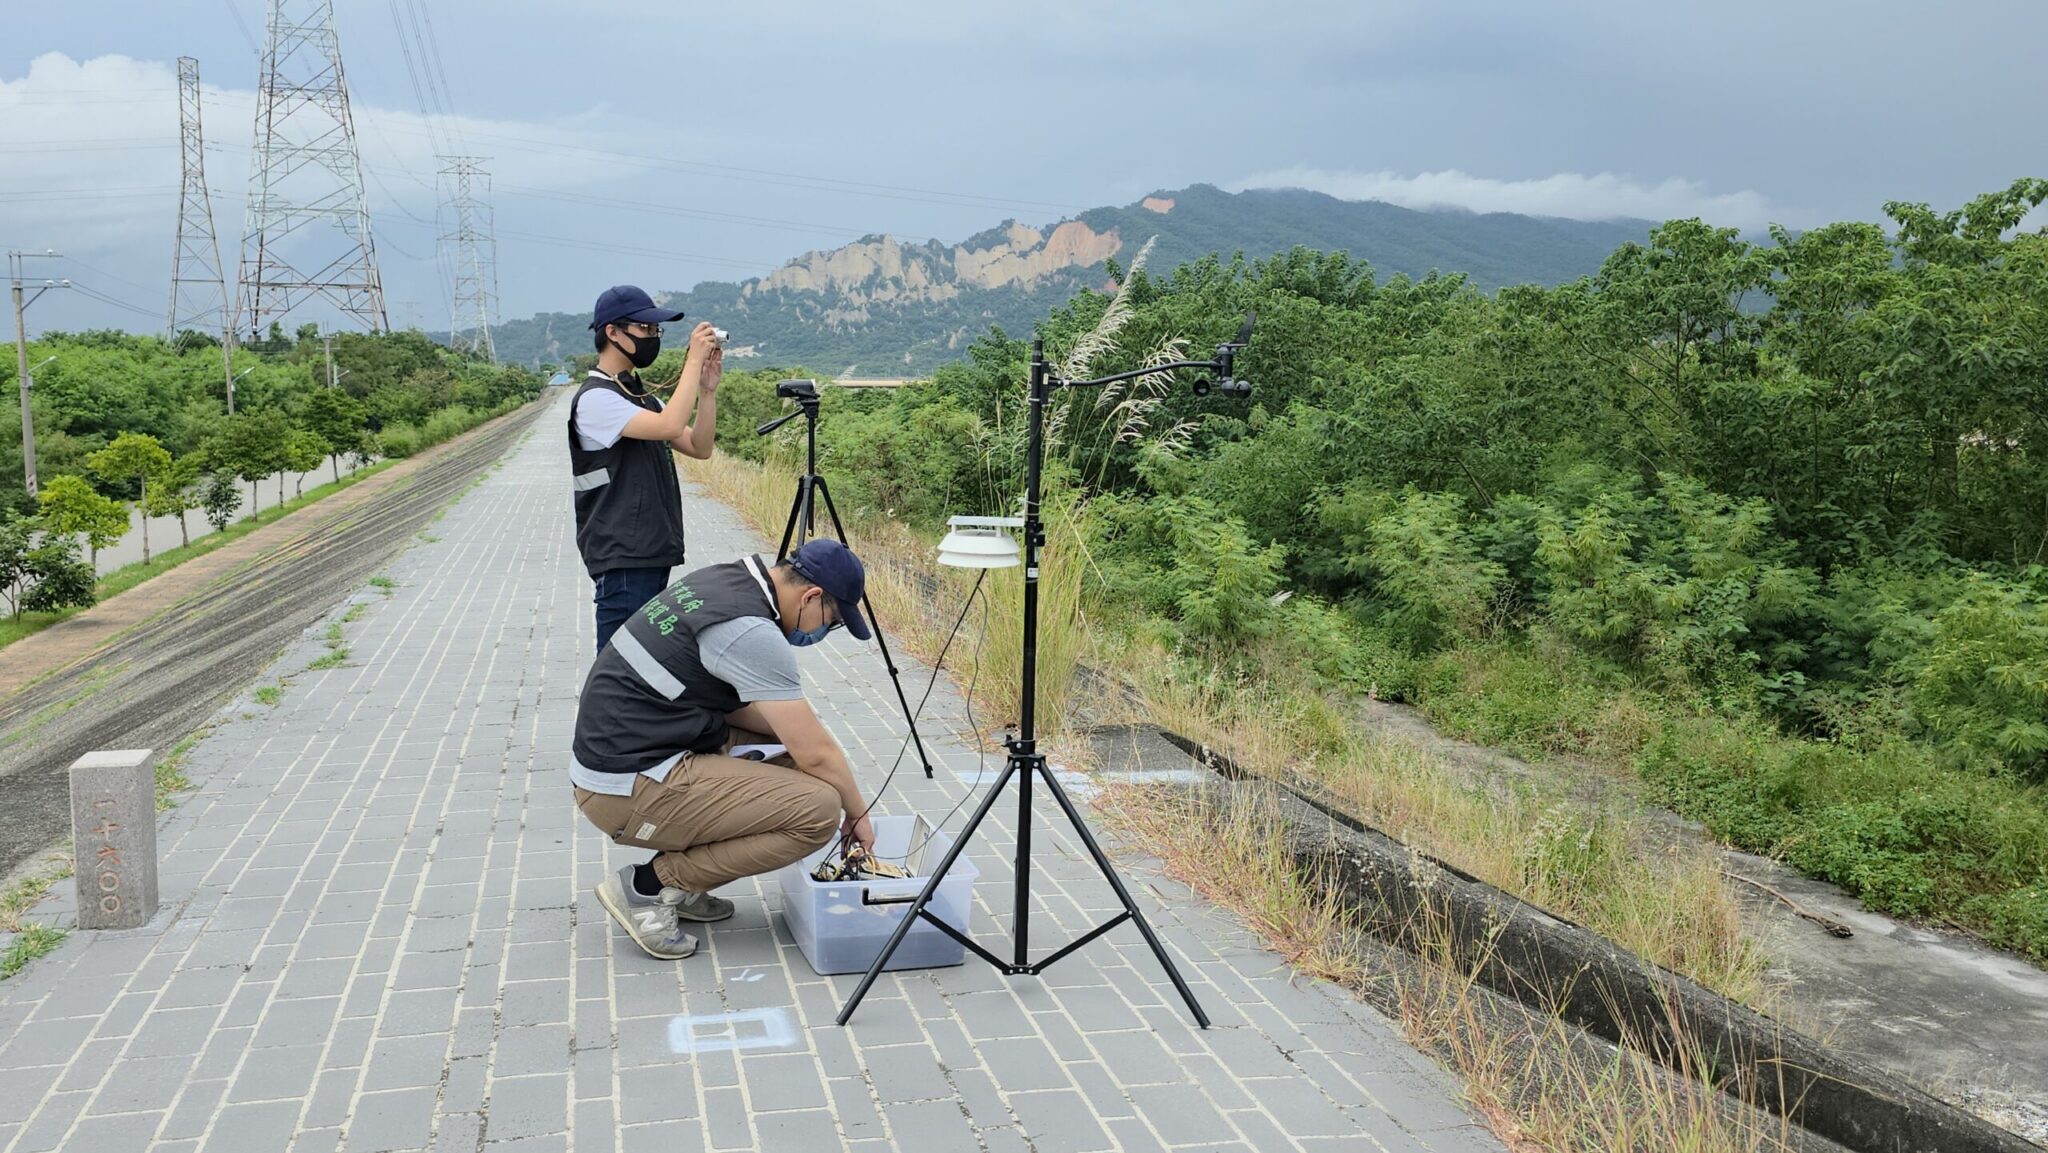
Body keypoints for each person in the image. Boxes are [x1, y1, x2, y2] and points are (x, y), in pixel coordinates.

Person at [571, 537, 879, 959]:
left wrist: (802, 740)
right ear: (811, 596)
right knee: (819, 810)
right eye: (833, 619)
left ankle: (687, 884)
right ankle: (650, 887)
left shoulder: (729, 581)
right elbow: (819, 756)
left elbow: (786, 735)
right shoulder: (750, 631)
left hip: (644, 745)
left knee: (797, 758)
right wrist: (857, 812)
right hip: (625, 786)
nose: (824, 631)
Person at [569, 284, 725, 652]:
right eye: (645, 329)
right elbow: (670, 426)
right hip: (623, 557)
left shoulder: (641, 397)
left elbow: (699, 447)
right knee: (621, 670)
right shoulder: (595, 399)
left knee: (644, 668)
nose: (654, 337)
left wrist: (707, 392)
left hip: (651, 552)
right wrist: (690, 362)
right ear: (612, 332)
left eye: (657, 330)